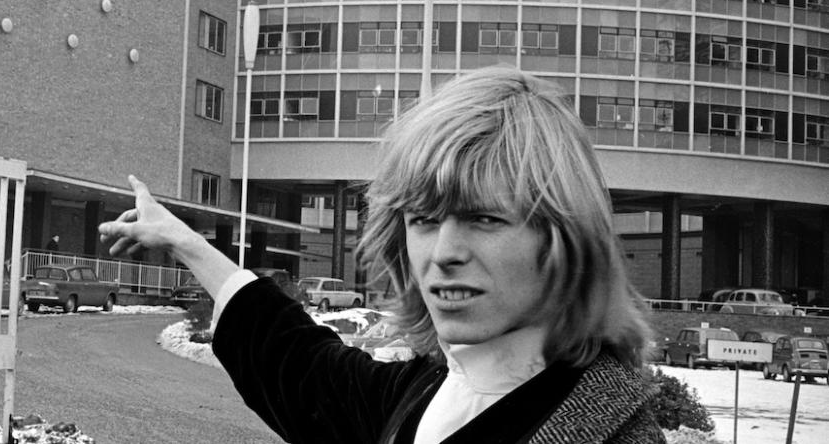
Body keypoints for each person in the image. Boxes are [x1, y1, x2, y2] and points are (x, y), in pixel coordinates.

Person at [99, 66, 663, 444]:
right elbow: (303, 369)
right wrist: (189, 244)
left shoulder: (616, 431)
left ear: (563, 238)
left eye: (484, 218)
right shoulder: (429, 388)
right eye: (422, 220)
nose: (442, 253)